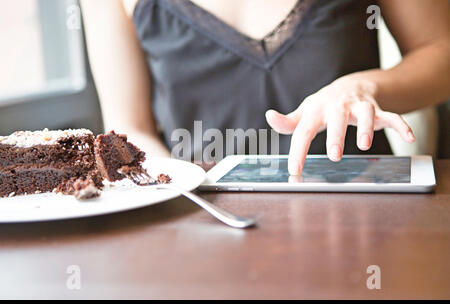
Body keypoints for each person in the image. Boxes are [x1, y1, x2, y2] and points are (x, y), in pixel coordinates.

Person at [81, 0, 450, 175]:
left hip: (365, 210)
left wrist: (364, 86)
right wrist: (178, 190)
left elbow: (441, 50)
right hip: (202, 225)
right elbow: (132, 129)